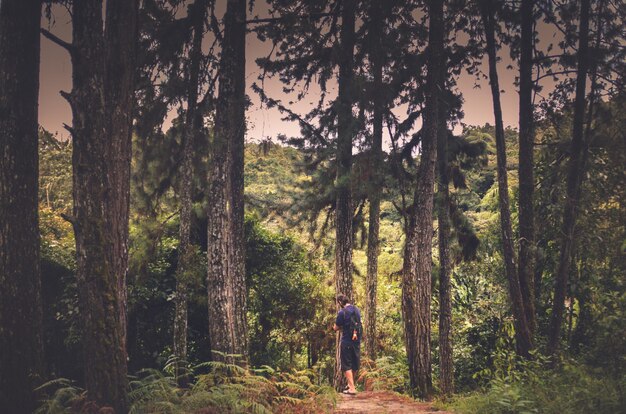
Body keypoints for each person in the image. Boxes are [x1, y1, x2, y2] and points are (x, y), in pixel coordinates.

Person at [333, 294, 361, 395]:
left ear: (340, 302)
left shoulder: (342, 312)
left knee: (346, 365)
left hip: (346, 341)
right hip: (356, 341)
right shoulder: (357, 310)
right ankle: (350, 385)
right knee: (354, 364)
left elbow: (335, 328)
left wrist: (339, 327)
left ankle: (352, 388)